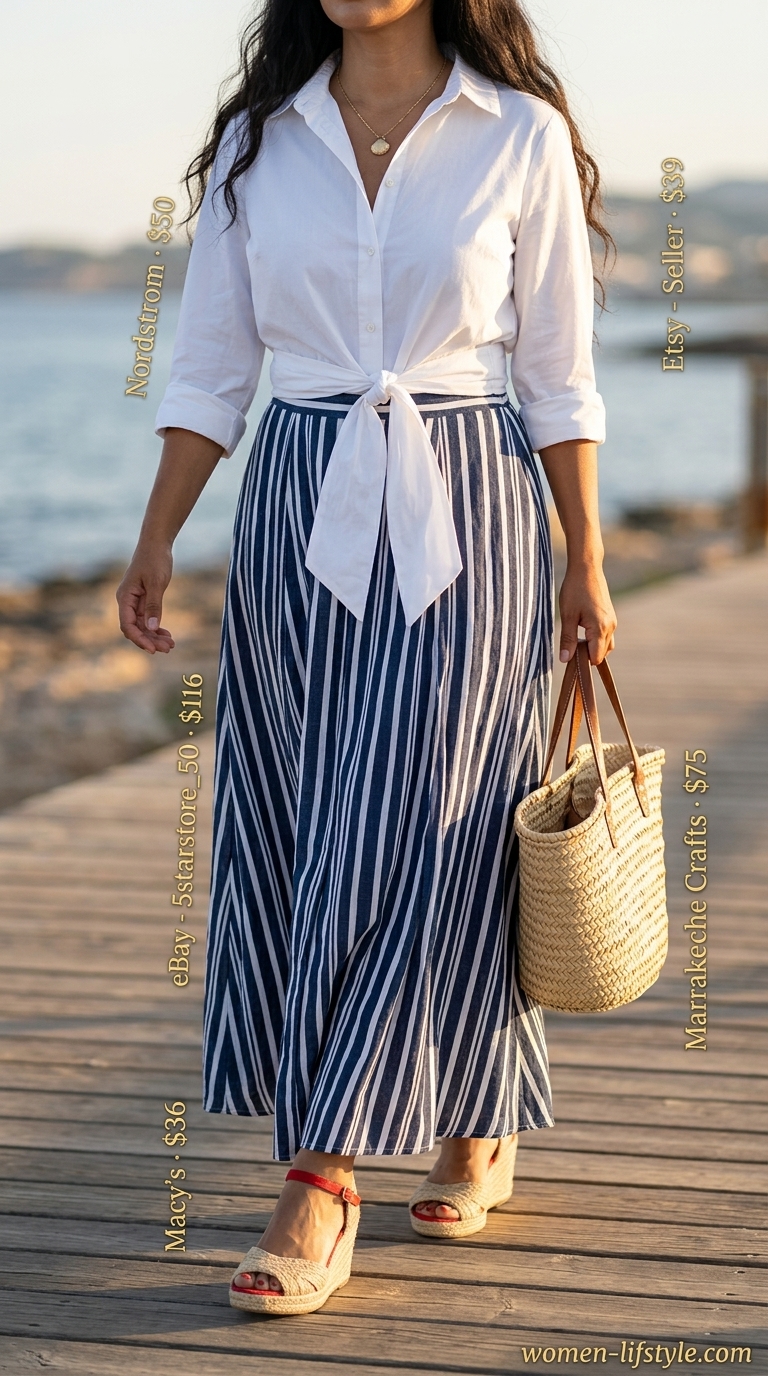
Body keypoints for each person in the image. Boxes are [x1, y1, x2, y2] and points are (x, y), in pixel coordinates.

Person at [117, 0, 617, 1318]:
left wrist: (588, 554)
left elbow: (561, 371)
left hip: (474, 499)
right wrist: (157, 536)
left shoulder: (520, 134)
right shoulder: (258, 146)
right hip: (300, 500)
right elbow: (215, 364)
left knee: (430, 822)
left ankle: (320, 1174)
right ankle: (482, 1111)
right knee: (303, 819)